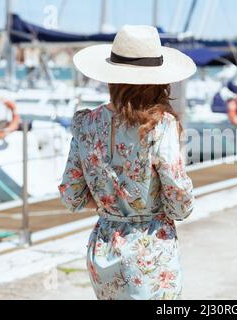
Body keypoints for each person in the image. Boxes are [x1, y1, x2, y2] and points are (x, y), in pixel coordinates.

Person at [58, 25, 196, 300]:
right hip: (149, 251)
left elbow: (71, 195)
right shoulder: (160, 126)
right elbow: (180, 202)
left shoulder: (85, 123)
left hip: (103, 247)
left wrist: (112, 207)